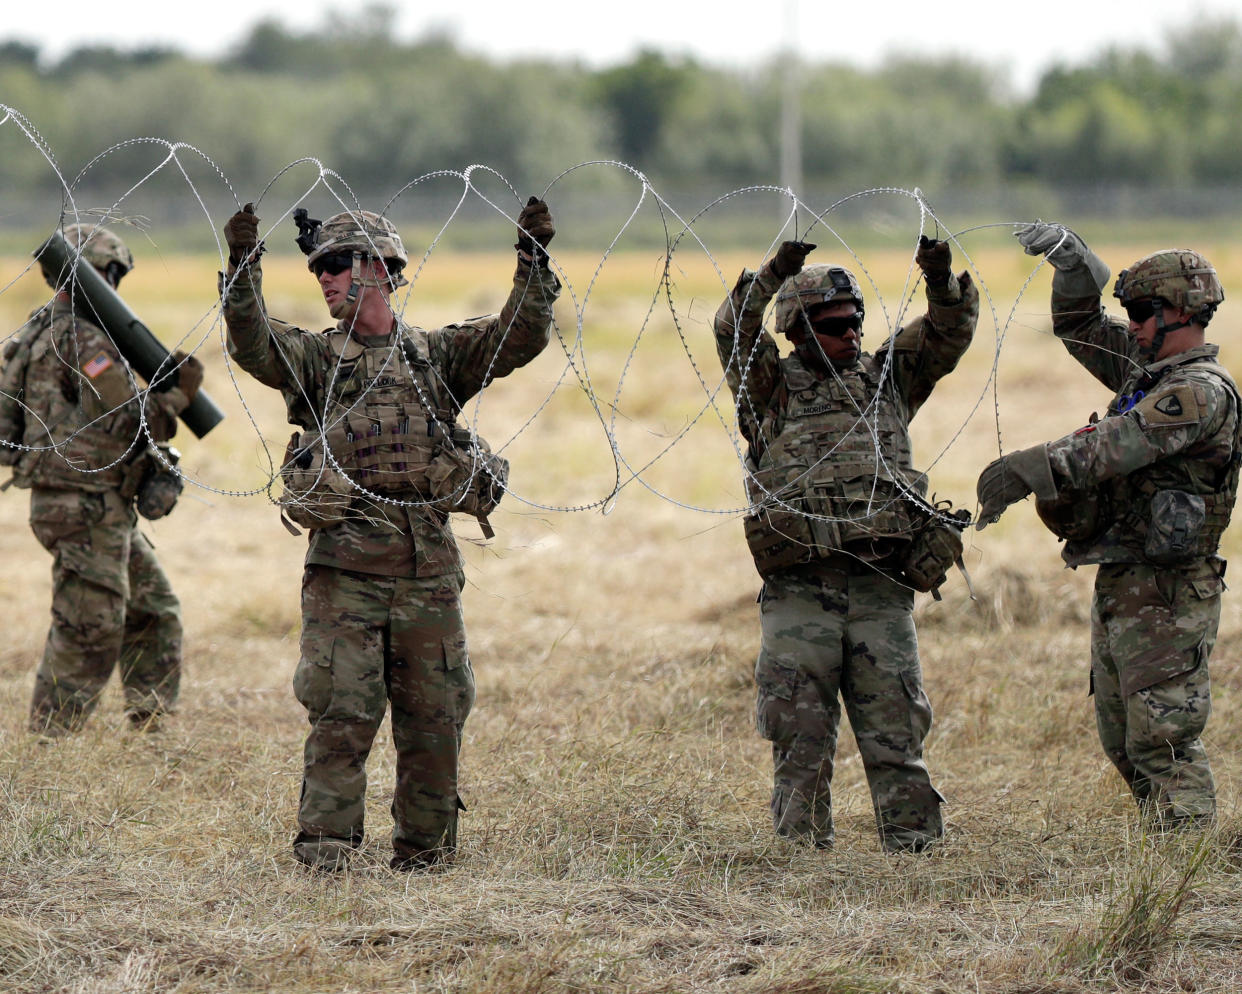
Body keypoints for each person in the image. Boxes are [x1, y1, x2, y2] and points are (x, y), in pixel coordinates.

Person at [219, 199, 559, 872]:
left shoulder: (436, 356)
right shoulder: (317, 362)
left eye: (339, 264)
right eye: (319, 269)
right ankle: (326, 858)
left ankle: (428, 856)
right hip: (345, 576)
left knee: (436, 720)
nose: (326, 279)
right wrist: (241, 268)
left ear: (380, 268)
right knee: (342, 715)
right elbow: (252, 342)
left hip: (427, 575)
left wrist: (532, 262)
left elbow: (518, 337)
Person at [714, 236, 979, 852]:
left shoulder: (887, 383)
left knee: (897, 732)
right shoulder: (770, 390)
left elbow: (947, 335)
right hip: (801, 592)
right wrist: (777, 270)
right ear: (799, 332)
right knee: (800, 737)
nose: (851, 334)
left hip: (880, 589)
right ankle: (802, 858)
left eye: (855, 322)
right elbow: (732, 329)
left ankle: (916, 851)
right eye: (833, 326)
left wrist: (940, 280)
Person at [977, 224, 1238, 829]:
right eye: (1132, 313)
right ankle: (1164, 856)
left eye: (1144, 313)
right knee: (1124, 741)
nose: (1136, 326)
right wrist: (1074, 265)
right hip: (1126, 581)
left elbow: (1117, 444)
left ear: (1183, 312)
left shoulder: (1198, 393)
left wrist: (1030, 467)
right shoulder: (1148, 371)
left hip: (1171, 591)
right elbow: (1080, 328)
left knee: (1164, 743)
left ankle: (1185, 875)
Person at [0, 223, 203, 736]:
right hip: (84, 503)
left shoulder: (34, 331)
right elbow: (129, 420)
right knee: (90, 628)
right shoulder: (84, 339)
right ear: (101, 275)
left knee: (153, 608)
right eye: (111, 275)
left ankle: (151, 725)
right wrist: (178, 395)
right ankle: (50, 743)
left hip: (87, 501)